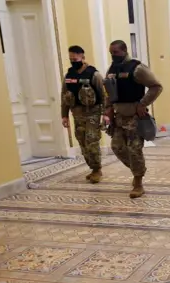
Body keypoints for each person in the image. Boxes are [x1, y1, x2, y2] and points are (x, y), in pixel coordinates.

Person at [104, 40, 162, 198]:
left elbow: (156, 86)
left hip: (135, 118)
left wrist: (143, 103)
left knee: (134, 150)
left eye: (115, 52)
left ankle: (138, 182)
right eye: (111, 53)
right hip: (119, 117)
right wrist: (107, 109)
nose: (113, 56)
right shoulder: (112, 69)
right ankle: (139, 170)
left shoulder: (137, 68)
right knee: (117, 147)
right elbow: (109, 92)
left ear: (124, 50)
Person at [61, 46, 105, 183]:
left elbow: (103, 96)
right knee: (82, 142)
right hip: (77, 114)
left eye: (75, 58)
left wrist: (106, 114)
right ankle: (92, 168)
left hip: (92, 113)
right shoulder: (68, 76)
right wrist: (64, 115)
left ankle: (97, 169)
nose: (73, 61)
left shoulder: (94, 74)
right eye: (71, 59)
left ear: (83, 57)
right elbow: (64, 96)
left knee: (91, 141)